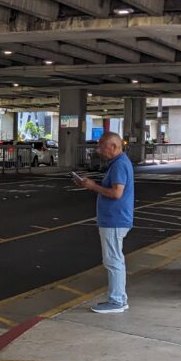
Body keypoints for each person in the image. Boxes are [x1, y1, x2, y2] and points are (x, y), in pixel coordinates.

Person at [73, 132, 135, 313]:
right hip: (114, 219)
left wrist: (92, 186)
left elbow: (116, 193)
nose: (98, 150)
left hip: (114, 219)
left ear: (114, 147)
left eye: (102, 146)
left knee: (113, 260)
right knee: (115, 259)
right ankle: (118, 298)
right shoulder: (118, 163)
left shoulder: (119, 165)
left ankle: (117, 301)